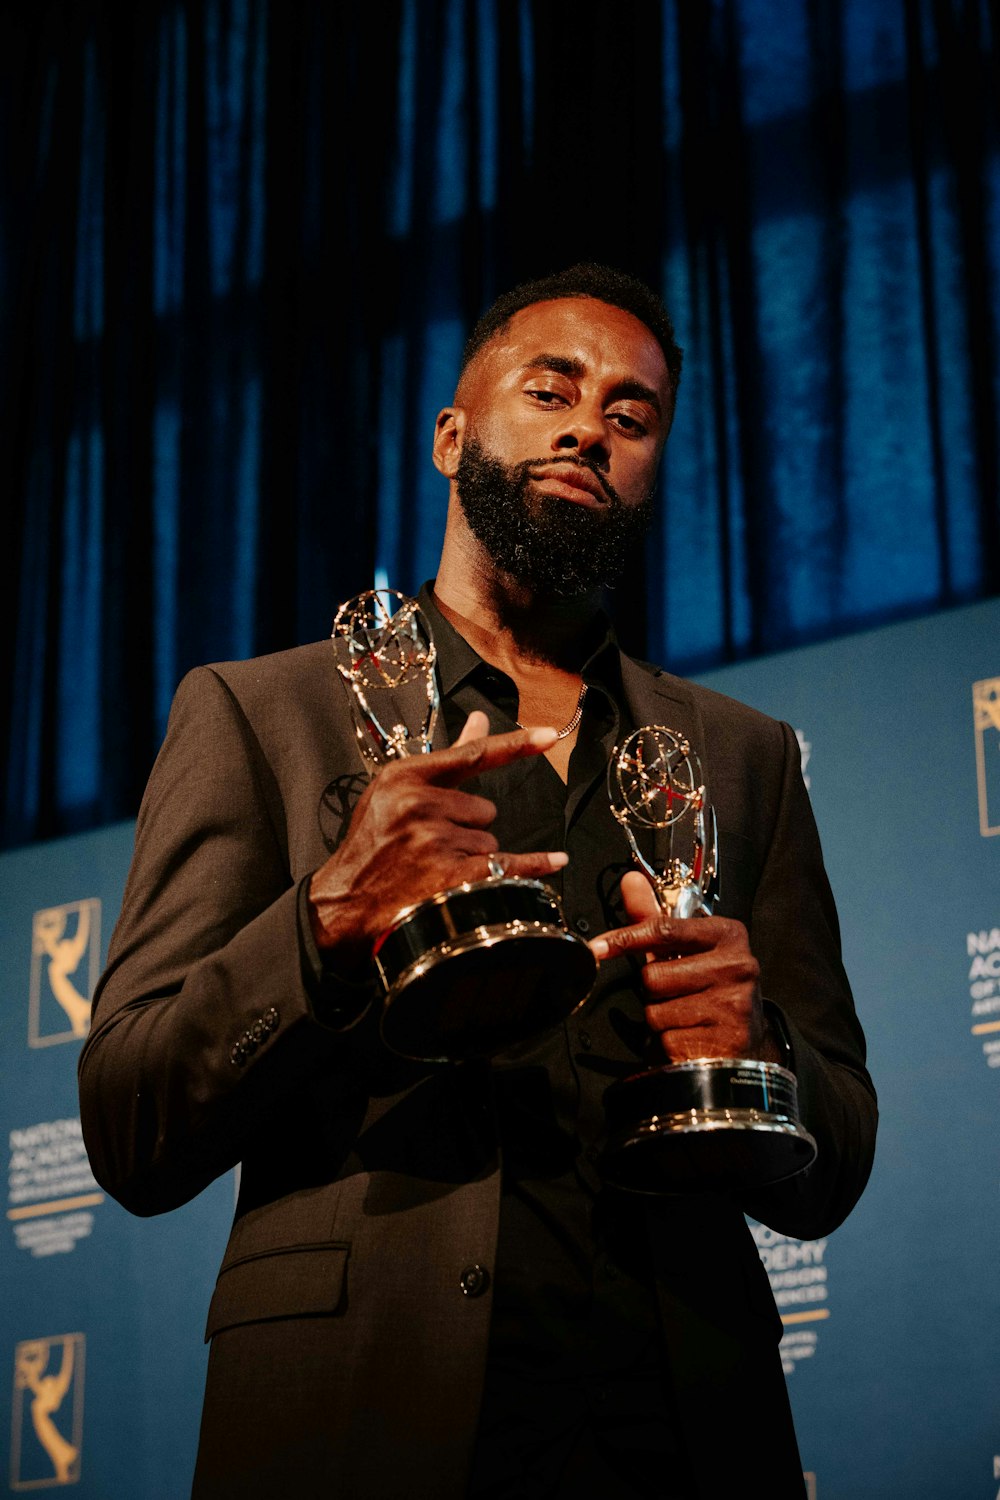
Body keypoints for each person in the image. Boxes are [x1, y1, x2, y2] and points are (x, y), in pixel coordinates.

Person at [79, 264, 876, 1499]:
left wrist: (754, 1044)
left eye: (631, 415)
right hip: (360, 1416)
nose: (586, 428)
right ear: (453, 436)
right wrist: (328, 919)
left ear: (651, 469)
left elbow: (837, 1161)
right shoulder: (261, 714)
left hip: (680, 1422)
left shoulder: (741, 756)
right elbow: (131, 1123)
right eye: (548, 388)